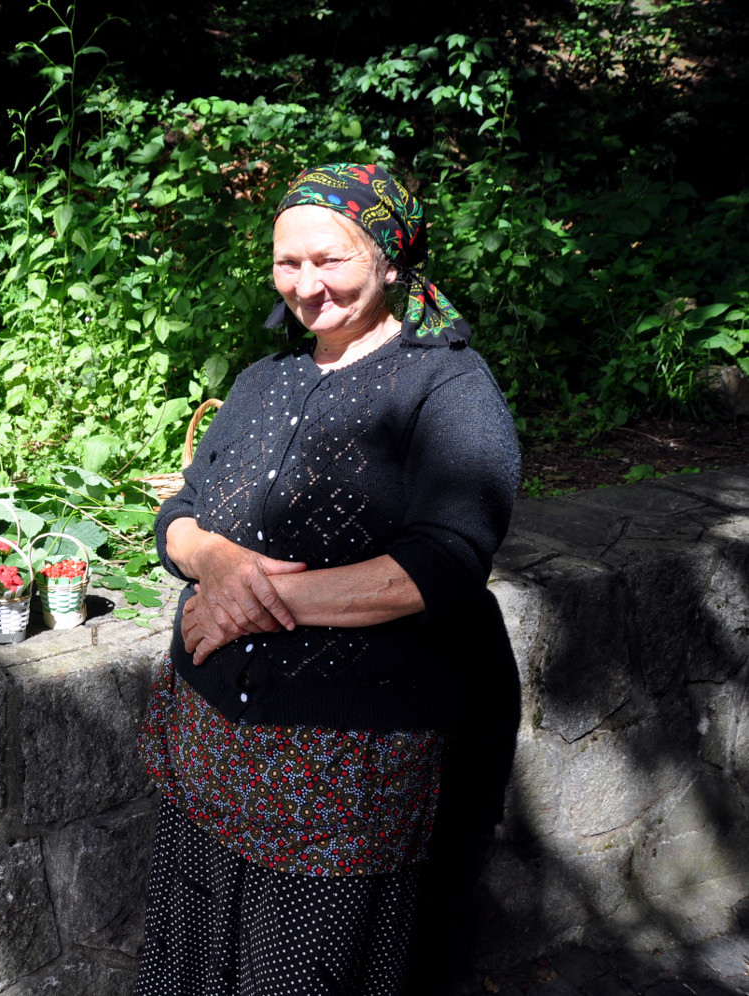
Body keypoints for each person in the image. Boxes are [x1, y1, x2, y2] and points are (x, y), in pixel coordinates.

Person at [135, 162, 522, 996]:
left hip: (345, 765)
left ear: (388, 258)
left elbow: (445, 561)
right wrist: (219, 563)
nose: (307, 285)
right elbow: (181, 514)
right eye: (288, 263)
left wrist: (248, 606)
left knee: (303, 972)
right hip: (213, 746)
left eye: (331, 260)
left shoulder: (448, 386)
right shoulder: (260, 382)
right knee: (199, 958)